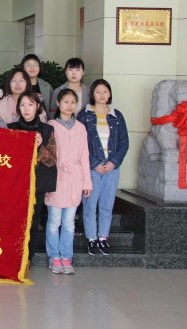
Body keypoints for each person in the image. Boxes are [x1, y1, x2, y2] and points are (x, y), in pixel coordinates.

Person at [77, 79, 129, 256]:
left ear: (110, 94)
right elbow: (80, 143)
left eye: (105, 91)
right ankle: (91, 238)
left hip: (111, 167)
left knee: (107, 204)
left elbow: (124, 142)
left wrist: (114, 162)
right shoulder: (84, 115)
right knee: (90, 204)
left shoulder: (117, 115)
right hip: (92, 167)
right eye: (98, 91)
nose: (102, 95)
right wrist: (94, 163)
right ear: (92, 94)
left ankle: (103, 238)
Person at [46, 89, 92, 275]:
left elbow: (85, 156)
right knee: (54, 221)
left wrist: (87, 183)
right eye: (65, 101)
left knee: (69, 222)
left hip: (75, 178)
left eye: (73, 102)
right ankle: (53, 256)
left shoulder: (80, 128)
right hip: (57, 178)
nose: (69, 105)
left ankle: (66, 256)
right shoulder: (50, 126)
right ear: (58, 103)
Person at [7, 91, 57, 265]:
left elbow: (52, 160)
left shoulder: (47, 130)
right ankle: (12, 256)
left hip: (37, 183)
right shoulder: (10, 128)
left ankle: (28, 258)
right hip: (15, 184)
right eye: (22, 105)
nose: (26, 109)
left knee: (33, 221)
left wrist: (40, 146)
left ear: (38, 107)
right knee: (13, 219)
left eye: (30, 104)